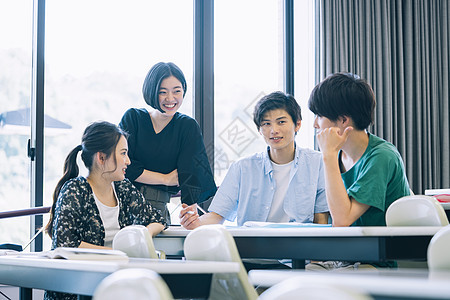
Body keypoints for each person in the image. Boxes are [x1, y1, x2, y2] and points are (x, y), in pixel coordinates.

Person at [44, 121, 166, 300]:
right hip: (79, 290)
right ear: (101, 158)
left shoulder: (123, 187)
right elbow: (66, 246)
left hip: (117, 286)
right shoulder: (75, 190)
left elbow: (158, 219)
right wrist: (119, 252)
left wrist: (143, 235)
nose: (128, 161)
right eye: (123, 154)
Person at [180, 91, 329, 230]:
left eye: (281, 122)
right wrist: (195, 222)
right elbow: (217, 216)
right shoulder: (242, 168)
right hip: (253, 252)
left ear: (297, 124)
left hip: (299, 254)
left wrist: (316, 259)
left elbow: (321, 219)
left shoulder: (318, 163)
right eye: (266, 124)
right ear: (259, 129)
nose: (273, 130)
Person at [306, 72, 410, 270]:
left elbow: (342, 220)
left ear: (344, 120)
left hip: (379, 262)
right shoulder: (338, 155)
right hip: (347, 258)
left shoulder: (381, 156)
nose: (315, 124)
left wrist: (327, 155)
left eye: (319, 116)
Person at [119, 62, 217, 224]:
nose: (170, 99)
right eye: (162, 92)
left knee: (152, 249)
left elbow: (190, 175)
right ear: (151, 91)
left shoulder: (187, 126)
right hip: (119, 202)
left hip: (156, 207)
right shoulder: (133, 119)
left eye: (177, 91)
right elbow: (120, 166)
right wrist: (165, 179)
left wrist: (190, 216)